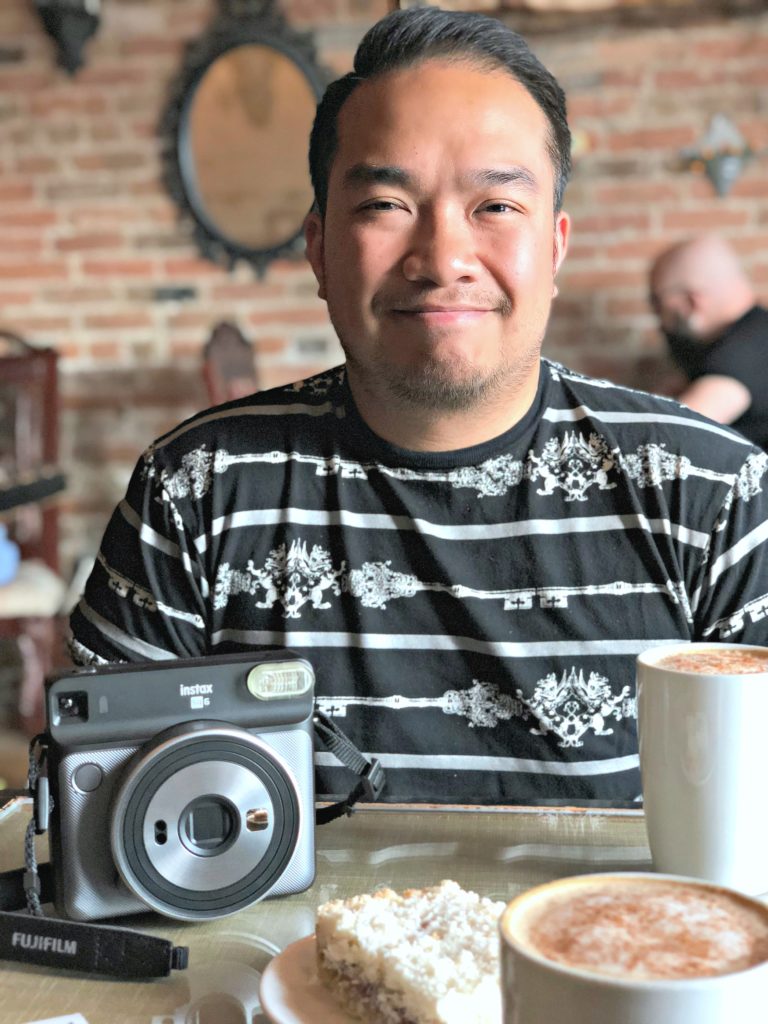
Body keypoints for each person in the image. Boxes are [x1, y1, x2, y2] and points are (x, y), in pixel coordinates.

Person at [70, 7, 768, 806]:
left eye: (496, 206)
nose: (442, 260)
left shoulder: (714, 494)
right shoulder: (196, 489)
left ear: (556, 247)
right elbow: (105, 821)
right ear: (320, 249)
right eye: (385, 206)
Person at [649, 235, 768, 450]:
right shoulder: (757, 331)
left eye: (658, 302)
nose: (660, 320)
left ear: (692, 301)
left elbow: (669, 439)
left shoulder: (736, 357)